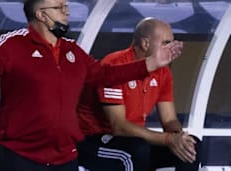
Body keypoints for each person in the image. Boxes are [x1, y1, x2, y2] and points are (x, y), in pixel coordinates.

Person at [0, 0, 183, 171]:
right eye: (60, 7)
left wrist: (152, 63)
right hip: (20, 154)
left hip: (64, 155)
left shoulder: (72, 51)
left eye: (66, 6)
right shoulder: (14, 43)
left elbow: (105, 75)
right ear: (41, 14)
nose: (67, 12)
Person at [77, 17, 202, 171]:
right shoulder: (115, 65)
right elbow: (119, 127)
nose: (171, 48)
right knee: (137, 149)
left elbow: (169, 119)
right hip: (93, 141)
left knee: (193, 146)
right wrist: (168, 139)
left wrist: (179, 138)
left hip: (133, 140)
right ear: (145, 43)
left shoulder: (163, 72)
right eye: (166, 43)